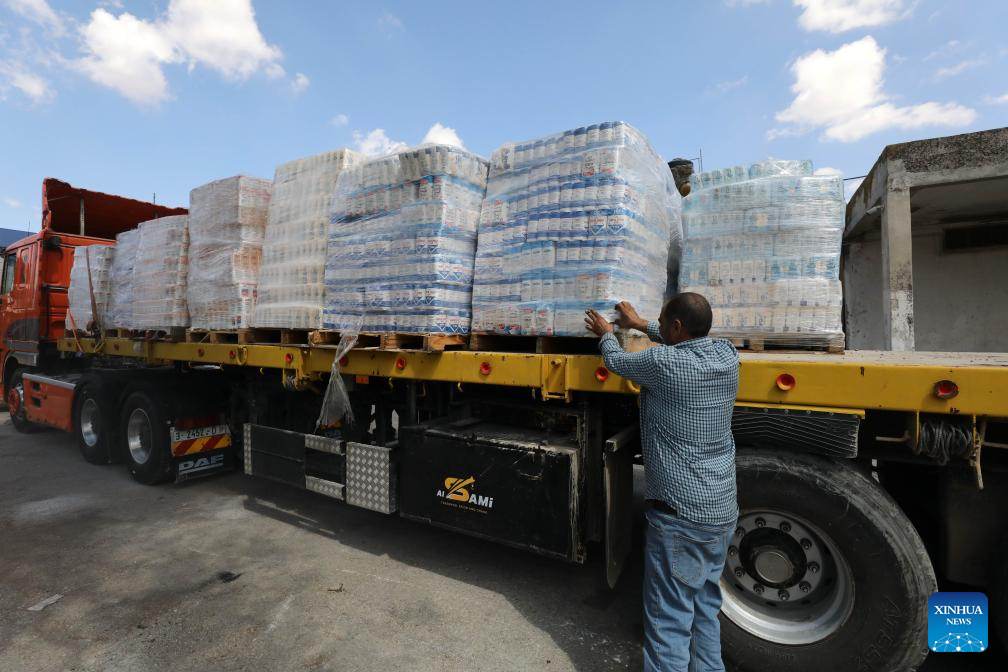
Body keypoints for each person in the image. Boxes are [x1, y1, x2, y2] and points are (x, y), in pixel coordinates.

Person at [584, 293, 740, 672]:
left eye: (662, 320)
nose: (658, 324)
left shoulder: (662, 362)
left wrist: (607, 333)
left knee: (668, 619)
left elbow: (617, 361)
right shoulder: (727, 355)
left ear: (676, 327)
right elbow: (674, 335)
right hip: (720, 512)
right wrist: (638, 324)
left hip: (679, 518)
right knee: (704, 608)